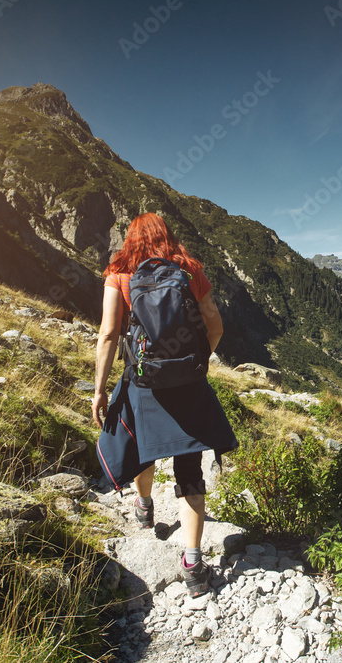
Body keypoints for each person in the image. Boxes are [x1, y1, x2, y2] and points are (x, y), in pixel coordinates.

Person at [91, 212, 238, 597]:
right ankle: (192, 561)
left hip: (143, 381)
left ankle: (144, 506)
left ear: (129, 238)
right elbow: (215, 326)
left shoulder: (119, 272)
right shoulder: (188, 270)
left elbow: (108, 333)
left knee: (145, 449)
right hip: (188, 380)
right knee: (189, 465)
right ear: (167, 236)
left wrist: (99, 389)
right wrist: (196, 362)